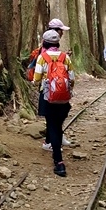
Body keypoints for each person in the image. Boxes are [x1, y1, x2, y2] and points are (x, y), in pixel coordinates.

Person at [33, 29, 75, 177]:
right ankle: (56, 153)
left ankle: (59, 162)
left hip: (48, 97)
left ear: (44, 42)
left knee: (52, 126)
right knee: (58, 125)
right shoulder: (65, 57)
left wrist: (40, 82)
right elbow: (72, 78)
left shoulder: (42, 57)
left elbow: (36, 78)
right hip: (63, 98)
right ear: (57, 43)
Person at [42, 18, 73, 151]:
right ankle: (51, 142)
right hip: (49, 87)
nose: (62, 33)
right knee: (53, 116)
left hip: (55, 86)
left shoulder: (51, 49)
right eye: (61, 31)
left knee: (58, 113)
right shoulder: (44, 49)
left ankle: (55, 138)